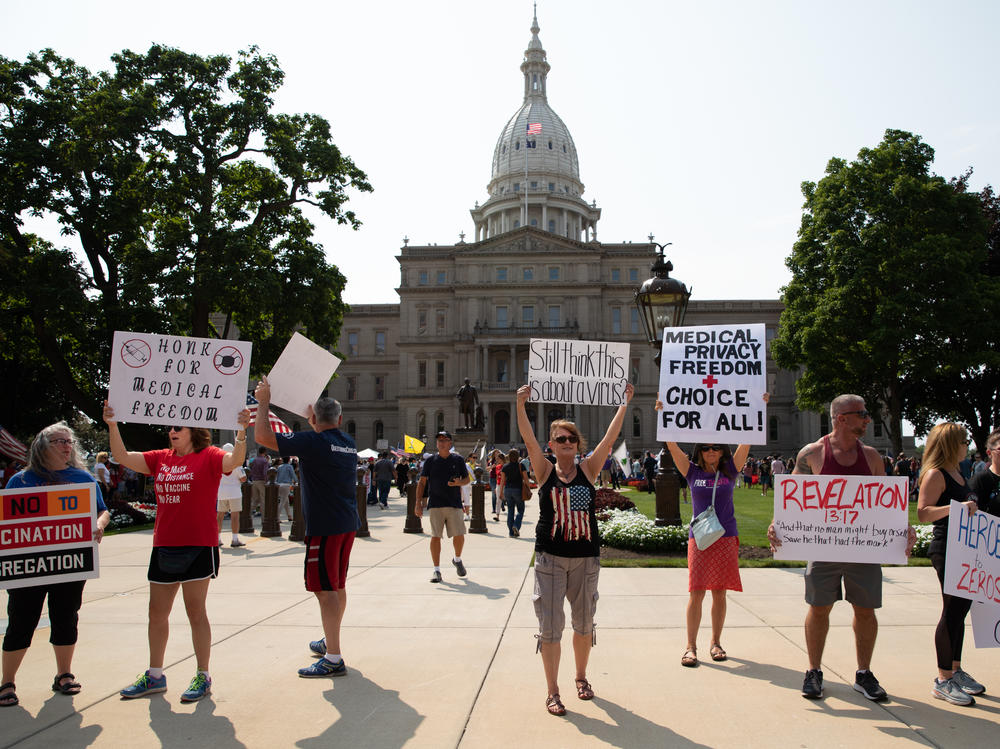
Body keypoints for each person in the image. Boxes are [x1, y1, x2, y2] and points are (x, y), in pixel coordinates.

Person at [767, 394, 914, 702]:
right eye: (861, 414)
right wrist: (777, 525)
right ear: (841, 418)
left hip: (863, 550)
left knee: (865, 610)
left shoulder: (872, 457)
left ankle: (863, 673)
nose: (867, 419)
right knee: (819, 608)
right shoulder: (812, 455)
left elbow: (886, 506)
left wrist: (904, 530)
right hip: (823, 550)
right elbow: (793, 501)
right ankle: (814, 671)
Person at [105, 402, 250, 703]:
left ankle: (203, 675)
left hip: (199, 545)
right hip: (164, 545)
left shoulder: (209, 457)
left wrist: (241, 434)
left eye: (177, 428)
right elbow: (121, 456)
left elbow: (234, 461)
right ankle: (155, 675)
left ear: (193, 432)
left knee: (195, 612)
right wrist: (112, 424)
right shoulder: (161, 459)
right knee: (156, 613)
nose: (171, 432)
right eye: (170, 428)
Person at [515, 382, 634, 717]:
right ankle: (552, 691)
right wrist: (521, 405)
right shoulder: (544, 470)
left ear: (577, 443)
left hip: (585, 560)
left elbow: (610, 440)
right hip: (550, 558)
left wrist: (624, 404)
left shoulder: (588, 469)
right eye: (560, 439)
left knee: (584, 623)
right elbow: (527, 438)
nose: (566, 443)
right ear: (551, 444)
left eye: (571, 438)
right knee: (551, 627)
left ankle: (581, 677)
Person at [254, 376, 360, 678]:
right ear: (340, 419)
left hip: (325, 526)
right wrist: (316, 421)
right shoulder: (347, 443)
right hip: (346, 523)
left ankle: (333, 657)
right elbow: (323, 434)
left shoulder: (313, 442)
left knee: (325, 591)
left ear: (313, 419)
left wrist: (263, 402)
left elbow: (262, 436)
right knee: (337, 585)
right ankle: (331, 639)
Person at [1, 422, 111, 707]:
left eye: (68, 441)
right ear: (42, 447)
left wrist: (99, 525)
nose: (66, 446)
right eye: (59, 442)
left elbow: (102, 511)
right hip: (29, 567)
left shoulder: (82, 478)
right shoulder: (20, 481)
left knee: (65, 616)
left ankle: (64, 674)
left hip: (71, 563)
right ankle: (7, 682)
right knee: (21, 621)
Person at [659, 393, 767, 668]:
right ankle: (690, 646)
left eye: (716, 447)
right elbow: (671, 447)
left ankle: (716, 642)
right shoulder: (692, 472)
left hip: (726, 536)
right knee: (697, 592)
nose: (710, 451)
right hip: (700, 539)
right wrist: (663, 413)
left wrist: (759, 406)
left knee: (719, 591)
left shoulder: (731, 471)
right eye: (706, 448)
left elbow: (747, 441)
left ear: (722, 451)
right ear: (699, 451)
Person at [916, 422, 987, 706]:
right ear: (950, 443)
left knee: (961, 610)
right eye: (963, 440)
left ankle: (955, 669)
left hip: (965, 549)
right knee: (952, 609)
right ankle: (943, 678)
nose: (967, 445)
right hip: (947, 548)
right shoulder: (936, 474)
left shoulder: (959, 471)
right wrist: (956, 509)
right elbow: (923, 513)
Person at [416, 431, 472, 583]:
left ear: (450, 443)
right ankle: (436, 570)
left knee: (459, 535)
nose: (441, 443)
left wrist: (458, 483)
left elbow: (467, 479)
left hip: (454, 503)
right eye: (439, 440)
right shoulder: (430, 461)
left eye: (444, 440)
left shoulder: (458, 459)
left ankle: (457, 559)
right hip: (435, 503)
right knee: (435, 536)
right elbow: (422, 482)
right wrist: (418, 504)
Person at [216, 443, 247, 547]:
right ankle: (234, 539)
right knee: (235, 516)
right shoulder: (236, 463)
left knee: (219, 516)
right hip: (234, 492)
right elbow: (243, 478)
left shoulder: (218, 463)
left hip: (221, 492)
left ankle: (218, 538)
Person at [497, 448, 530, 537]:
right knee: (521, 510)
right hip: (518, 490)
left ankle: (511, 532)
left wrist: (501, 492)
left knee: (510, 511)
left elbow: (502, 481)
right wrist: (528, 489)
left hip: (508, 490)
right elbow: (526, 479)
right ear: (518, 456)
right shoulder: (521, 465)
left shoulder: (505, 466)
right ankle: (516, 525)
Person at [248, 447, 270, 517]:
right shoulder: (264, 461)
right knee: (263, 500)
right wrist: (267, 481)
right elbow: (265, 472)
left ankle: (247, 515)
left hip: (254, 481)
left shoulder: (254, 460)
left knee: (255, 500)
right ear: (265, 452)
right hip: (261, 481)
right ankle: (264, 519)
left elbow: (250, 470)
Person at [275, 455, 297, 521]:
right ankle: (277, 517)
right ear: (288, 460)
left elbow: (277, 476)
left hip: (279, 484)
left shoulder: (279, 467)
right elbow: (293, 475)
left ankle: (289, 516)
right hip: (286, 485)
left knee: (286, 501)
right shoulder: (289, 467)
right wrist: (297, 481)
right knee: (282, 501)